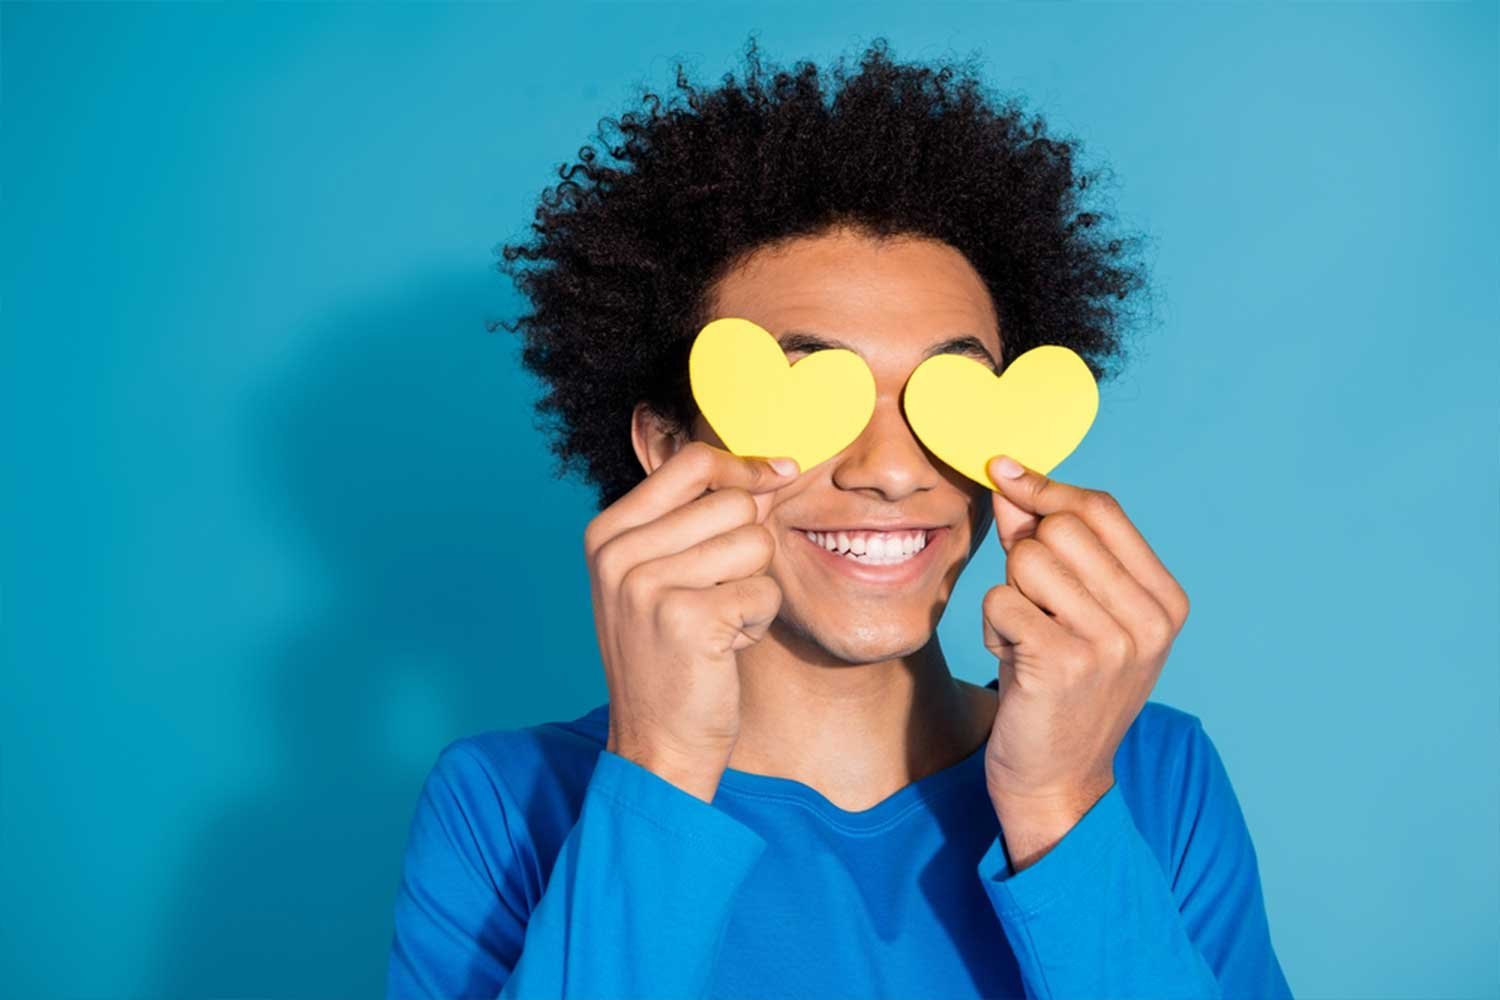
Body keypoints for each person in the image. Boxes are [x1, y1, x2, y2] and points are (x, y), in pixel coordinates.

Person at [385, 34, 1293, 1000]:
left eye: (949, 398)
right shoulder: (503, 808)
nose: (892, 471)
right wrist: (659, 770)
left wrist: (1059, 805)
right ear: (665, 446)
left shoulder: (1153, 776)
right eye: (807, 395)